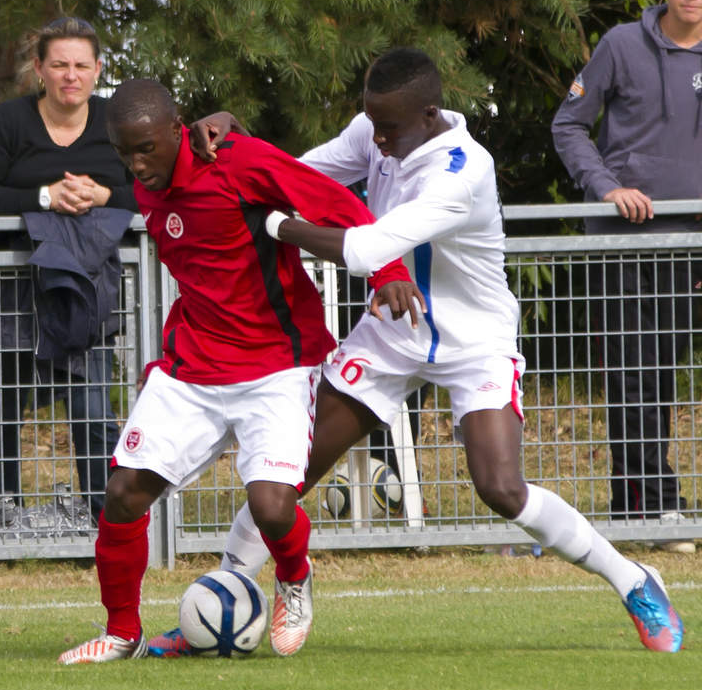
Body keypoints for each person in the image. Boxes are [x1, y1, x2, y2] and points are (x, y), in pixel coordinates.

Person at [150, 47, 684, 657]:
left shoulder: (463, 170)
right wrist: (235, 142)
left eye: (389, 131)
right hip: (392, 333)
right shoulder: (375, 128)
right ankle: (225, 602)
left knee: (501, 488)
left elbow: (362, 248)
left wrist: (272, 227)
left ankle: (636, 580)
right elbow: (293, 177)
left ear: (430, 114)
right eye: (370, 125)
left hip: (473, 342)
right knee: (287, 469)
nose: (375, 141)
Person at [57, 79, 418, 664]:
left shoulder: (236, 160)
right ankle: (123, 634)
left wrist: (388, 269)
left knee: (274, 505)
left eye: (146, 148)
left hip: (275, 363)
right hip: (192, 364)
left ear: (176, 128)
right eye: (125, 152)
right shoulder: (151, 172)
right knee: (122, 494)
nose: (136, 165)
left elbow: (335, 201)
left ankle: (294, 581)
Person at [551, 0, 702, 554]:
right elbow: (568, 125)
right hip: (627, 242)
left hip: (691, 240)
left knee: (663, 372)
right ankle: (648, 503)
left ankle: (650, 501)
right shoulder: (620, 44)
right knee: (635, 372)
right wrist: (608, 187)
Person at [0, 16, 136, 524]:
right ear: (39, 69)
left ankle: (104, 517)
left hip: (88, 290)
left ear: (99, 70)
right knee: (2, 403)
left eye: (82, 65)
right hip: (10, 289)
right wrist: (45, 198)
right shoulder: (8, 122)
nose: (70, 76)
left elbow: (153, 187)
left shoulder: (115, 124)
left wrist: (105, 195)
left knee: (92, 408)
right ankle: (2, 514)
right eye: (58, 64)